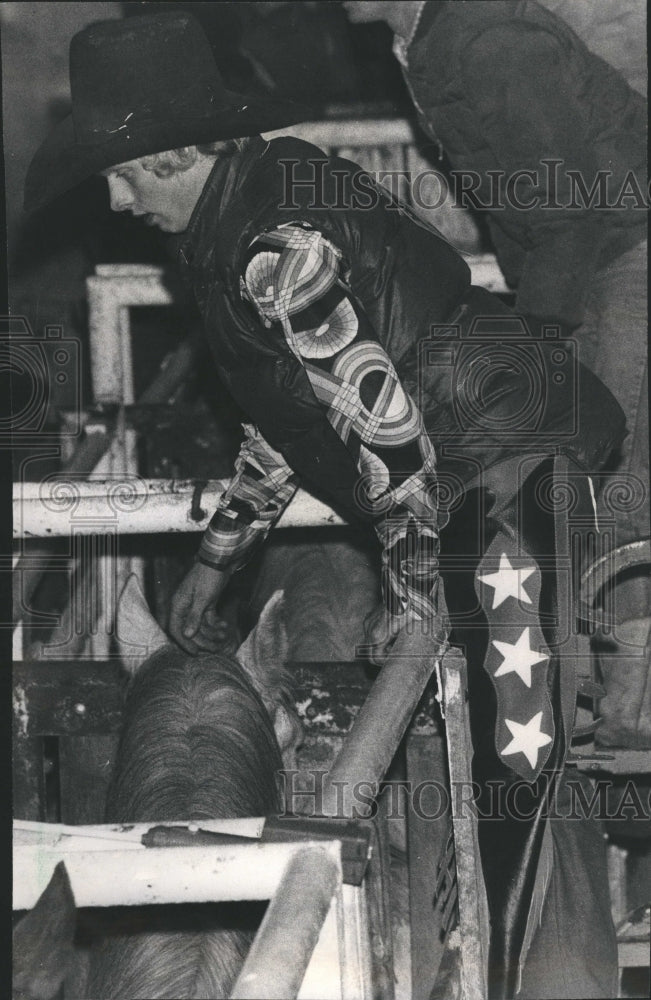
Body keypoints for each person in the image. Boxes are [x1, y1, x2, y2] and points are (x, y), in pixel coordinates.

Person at [25, 12, 623, 998]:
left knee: (525, 779)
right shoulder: (246, 217)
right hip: (482, 479)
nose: (119, 200)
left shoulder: (270, 244)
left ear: (174, 154)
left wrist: (412, 583)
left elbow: (384, 425)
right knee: (501, 764)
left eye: (125, 172)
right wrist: (221, 557)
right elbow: (297, 414)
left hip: (511, 482)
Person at [342, 0, 650, 678]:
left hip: (623, 249)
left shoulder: (490, 41)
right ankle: (591, 687)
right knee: (579, 480)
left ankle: (636, 697)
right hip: (586, 256)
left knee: (619, 481)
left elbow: (565, 206)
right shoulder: (423, 40)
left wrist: (535, 338)